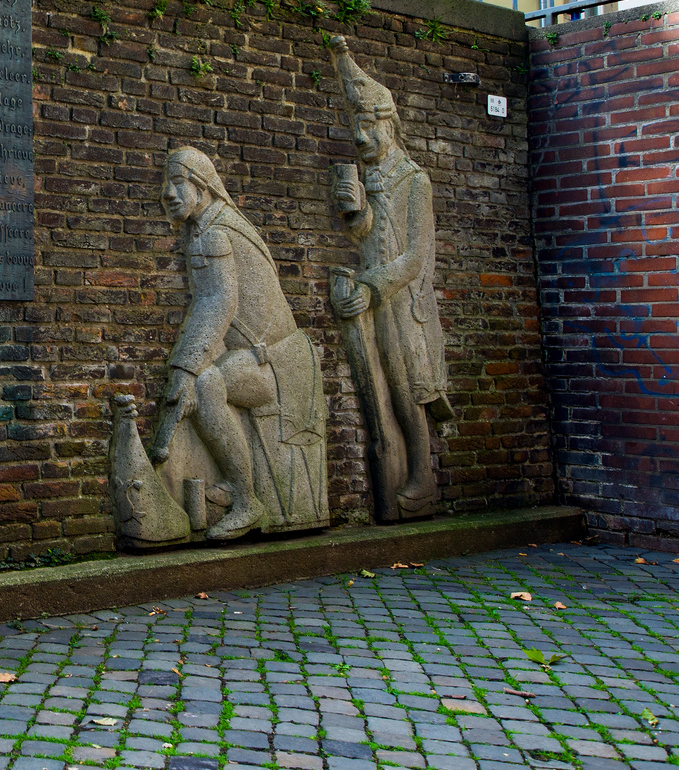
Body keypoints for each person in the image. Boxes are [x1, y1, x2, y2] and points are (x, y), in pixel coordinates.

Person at [148, 146, 319, 540]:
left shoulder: (215, 234)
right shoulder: (214, 224)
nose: (167, 194)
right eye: (165, 185)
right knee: (206, 379)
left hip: (279, 365)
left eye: (178, 183)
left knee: (209, 384)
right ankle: (233, 484)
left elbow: (217, 303)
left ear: (203, 186)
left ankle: (245, 501)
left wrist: (185, 370)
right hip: (262, 358)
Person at [327, 37, 453, 514]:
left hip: (405, 303)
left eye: (368, 125)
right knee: (384, 383)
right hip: (376, 298)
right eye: (356, 125)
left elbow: (416, 256)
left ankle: (422, 476)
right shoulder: (373, 176)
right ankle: (404, 473)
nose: (361, 137)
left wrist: (372, 286)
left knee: (408, 388)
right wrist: (357, 213)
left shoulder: (414, 180)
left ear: (389, 125)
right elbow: (369, 237)